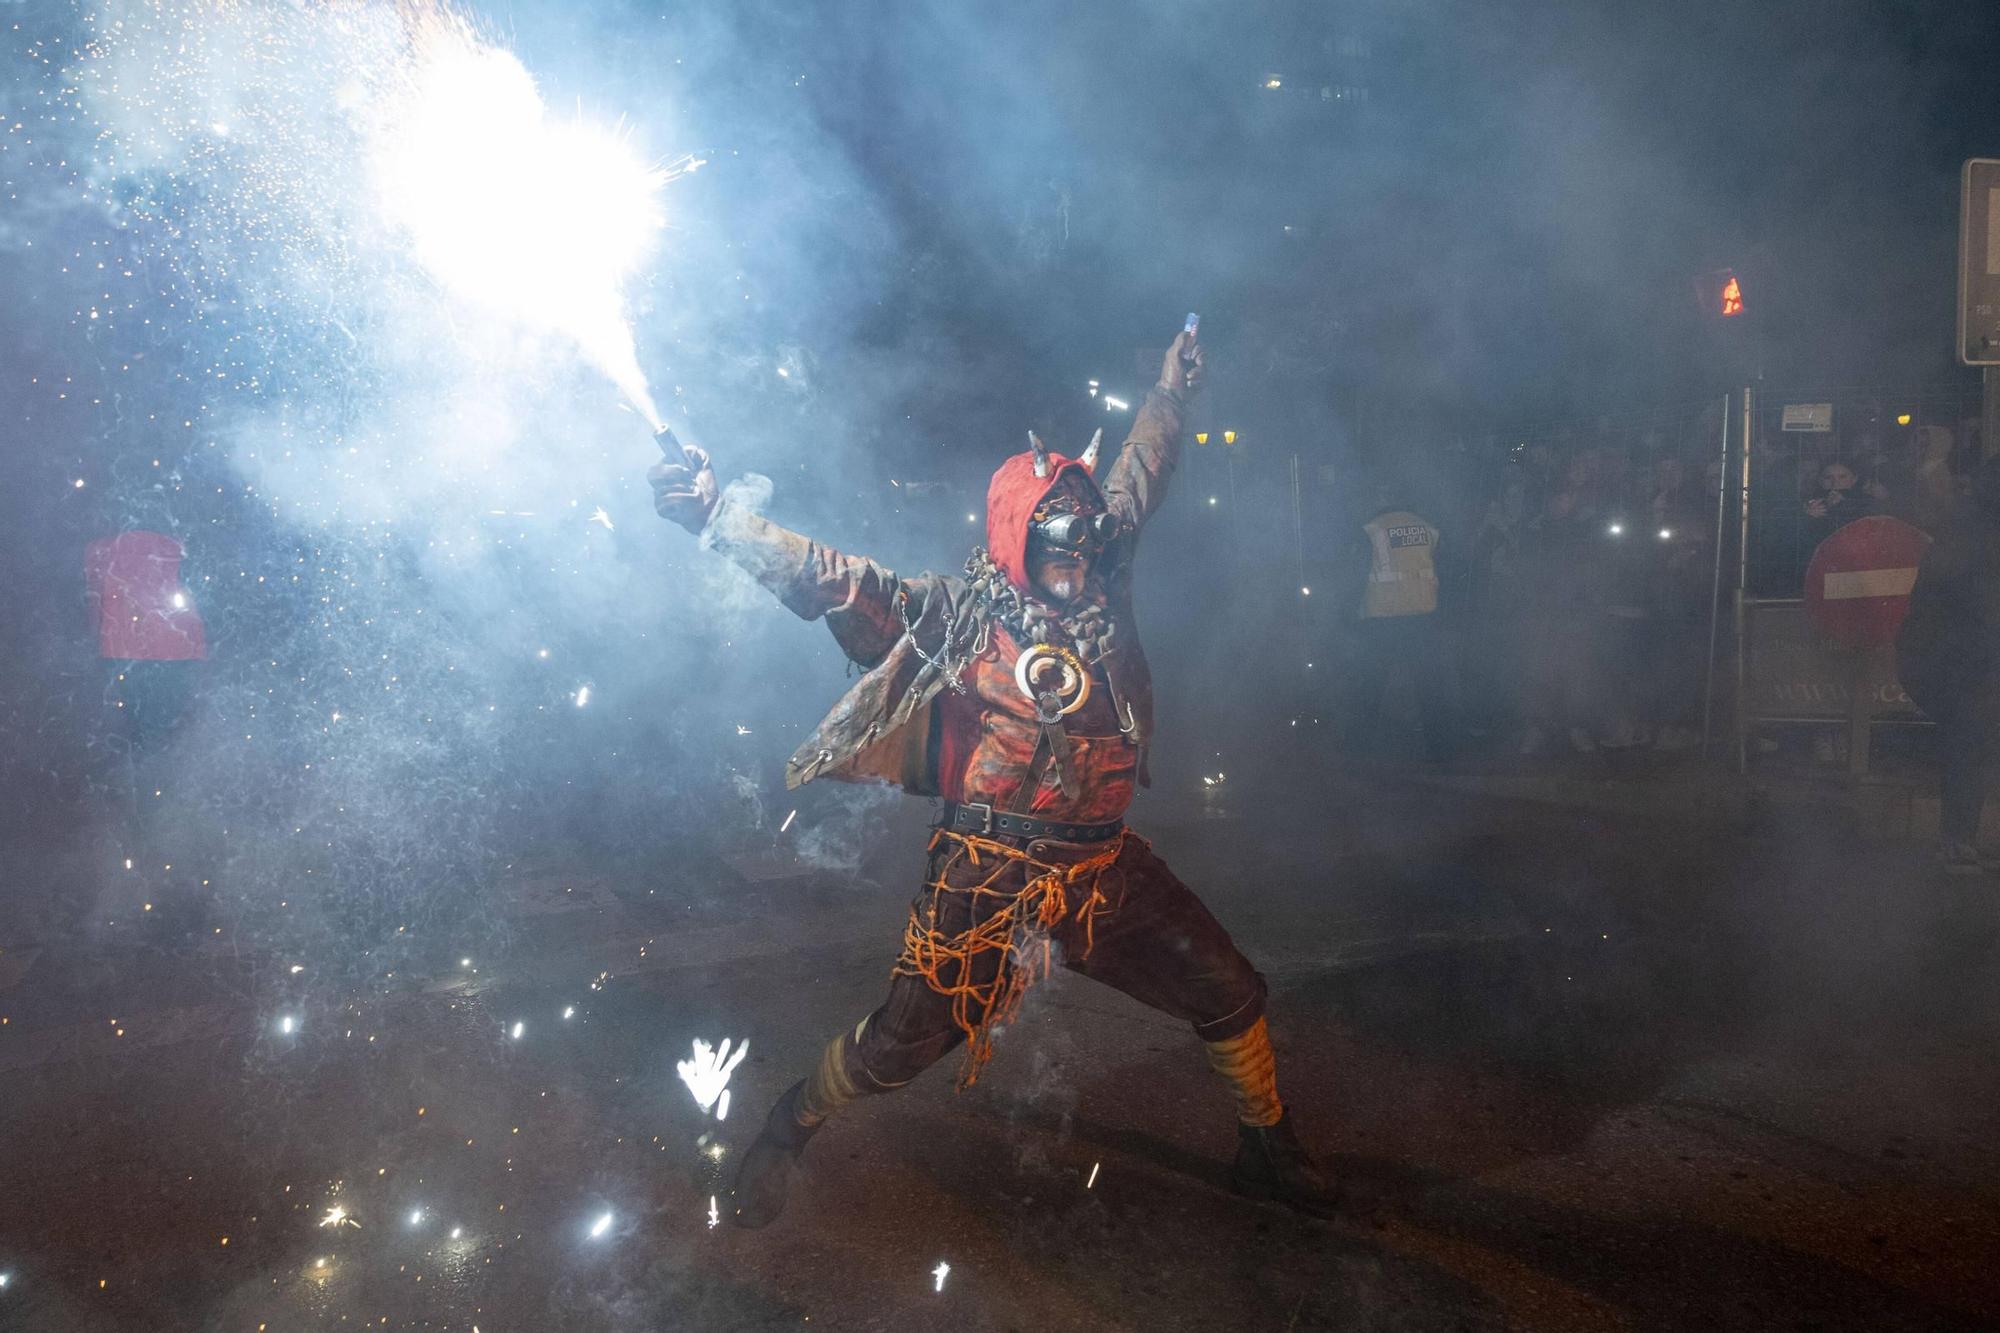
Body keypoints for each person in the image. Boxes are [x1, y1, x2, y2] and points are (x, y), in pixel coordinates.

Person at [649, 324, 1339, 1227]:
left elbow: (1139, 473)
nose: (1082, 555)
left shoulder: (1104, 574)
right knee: (899, 1049)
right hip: (987, 880)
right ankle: (789, 1123)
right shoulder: (953, 614)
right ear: (1019, 534)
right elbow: (826, 576)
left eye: (1092, 537)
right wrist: (712, 517)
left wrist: (1172, 392)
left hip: (1103, 874)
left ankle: (1266, 1148)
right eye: (1062, 539)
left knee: (1228, 988)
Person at [1898, 460, 2000, 874]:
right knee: (1971, 744)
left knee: (1975, 745)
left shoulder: (1969, 528)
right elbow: (1980, 608)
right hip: (1963, 661)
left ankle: (1962, 840)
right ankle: (1956, 842)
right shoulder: (1975, 534)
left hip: (1962, 657)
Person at [1345, 491, 1455, 760]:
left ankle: (1359, 750)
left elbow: (1357, 575)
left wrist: (1349, 613)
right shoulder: (1428, 528)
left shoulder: (1371, 530)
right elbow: (1443, 568)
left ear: (1380, 499)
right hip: (1422, 615)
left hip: (1383, 618)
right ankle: (1441, 751)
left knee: (1371, 685)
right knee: (1429, 687)